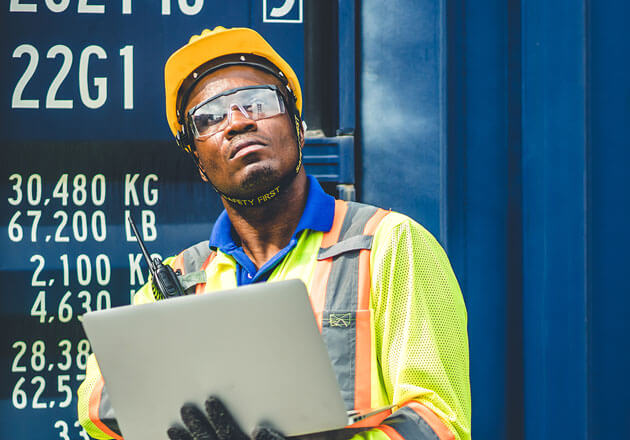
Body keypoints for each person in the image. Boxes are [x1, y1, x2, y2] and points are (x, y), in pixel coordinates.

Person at [77, 26, 471, 440]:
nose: (237, 122)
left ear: (298, 128)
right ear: (198, 161)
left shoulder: (389, 245)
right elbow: (98, 413)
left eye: (257, 102)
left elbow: (440, 423)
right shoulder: (174, 283)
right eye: (209, 117)